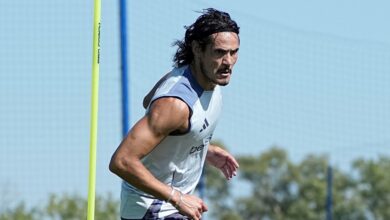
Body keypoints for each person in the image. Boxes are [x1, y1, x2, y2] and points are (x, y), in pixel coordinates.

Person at [109, 8, 240, 220]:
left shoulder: (206, 79)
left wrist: (203, 148)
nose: (228, 62)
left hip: (171, 206)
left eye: (233, 52)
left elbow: (148, 102)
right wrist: (177, 198)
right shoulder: (174, 104)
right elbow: (122, 161)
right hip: (152, 209)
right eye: (219, 52)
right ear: (198, 49)